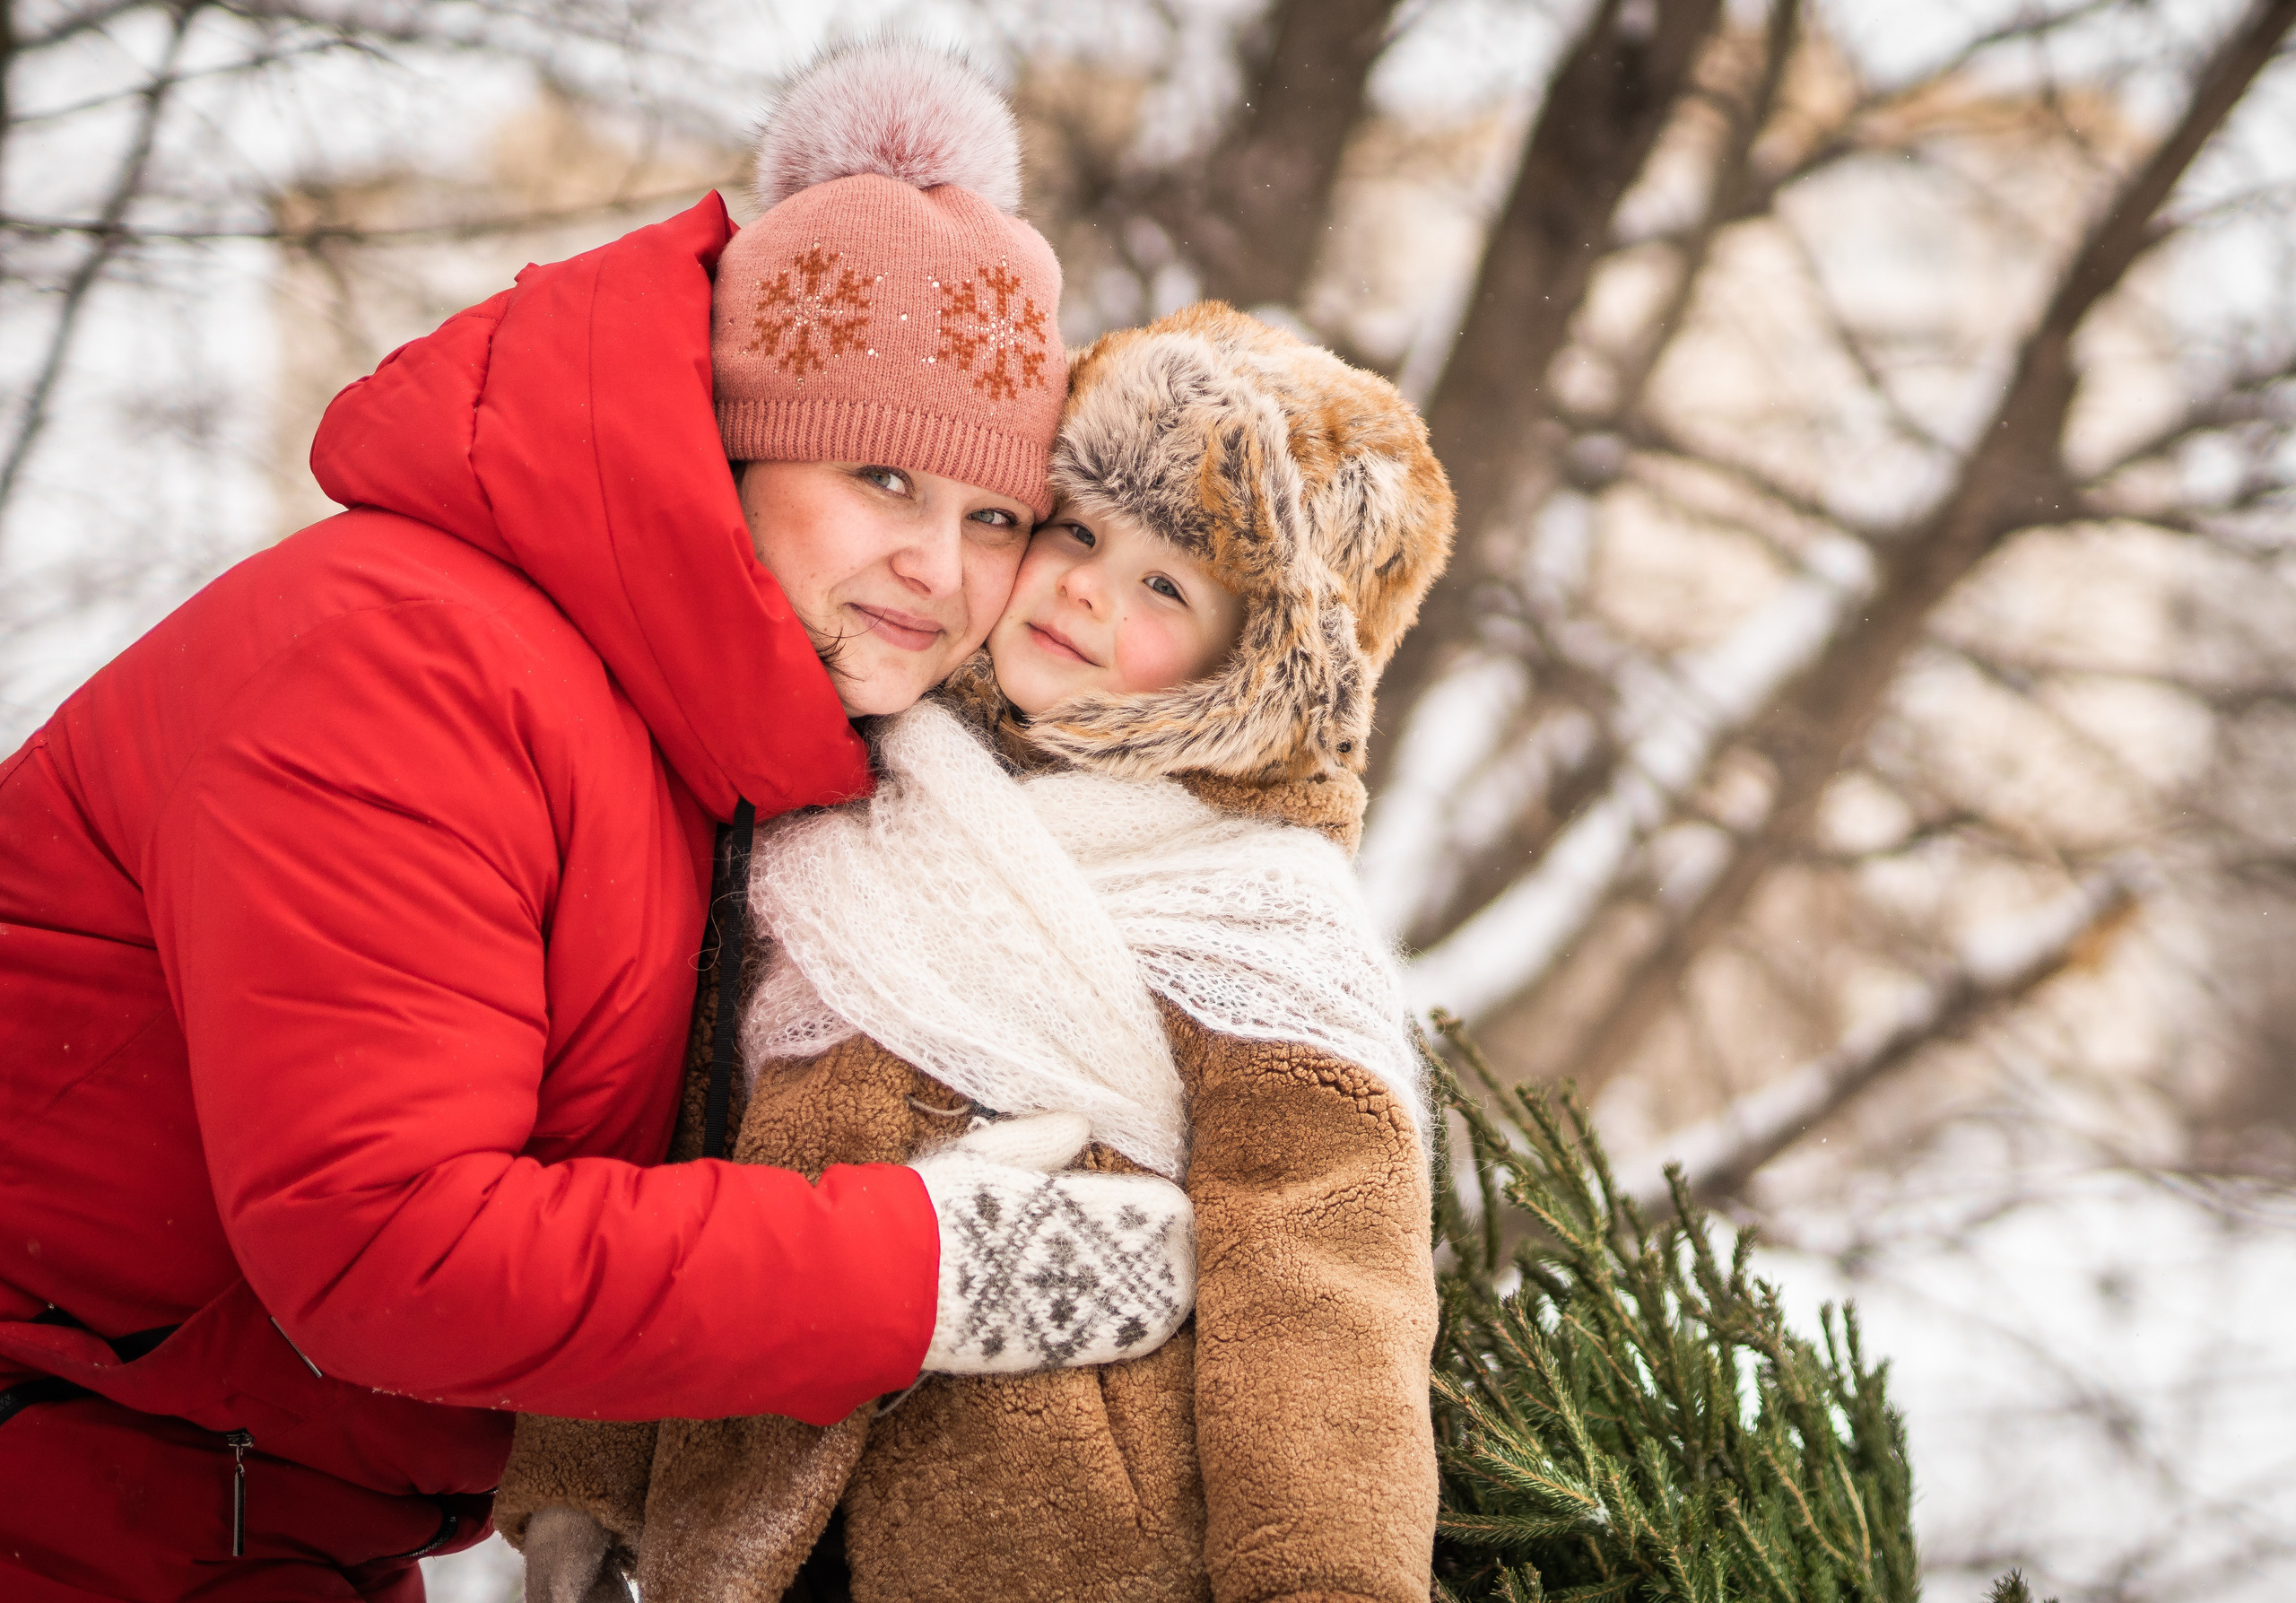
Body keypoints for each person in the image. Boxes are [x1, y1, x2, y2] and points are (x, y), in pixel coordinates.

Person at [0, 42, 1196, 1603]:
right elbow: (390, 1248)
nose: (942, 569)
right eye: (880, 476)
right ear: (732, 443)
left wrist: (593, 1465)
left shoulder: (710, 733)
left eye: (992, 516)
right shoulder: (409, 669)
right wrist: (925, 1269)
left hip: (247, 1513)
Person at [500, 300, 1458, 1603]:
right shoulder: (845, 800)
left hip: (1068, 1555)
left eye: (1166, 586)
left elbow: (1321, 1278)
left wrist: (1325, 1583)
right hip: (753, 1519)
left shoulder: (1263, 917)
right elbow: (690, 1145)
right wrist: (582, 1476)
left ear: (1257, 670)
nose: (1087, 589)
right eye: (1080, 530)